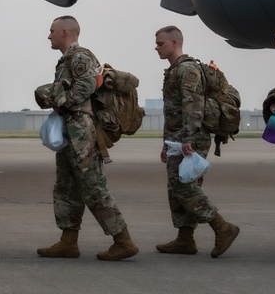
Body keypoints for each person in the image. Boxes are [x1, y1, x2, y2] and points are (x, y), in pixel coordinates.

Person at [36, 15, 138, 261]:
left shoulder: (81, 57)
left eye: (51, 31)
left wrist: (55, 97)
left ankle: (123, 240)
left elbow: (87, 86)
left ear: (64, 33)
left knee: (93, 187)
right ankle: (68, 241)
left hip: (81, 133)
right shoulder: (67, 59)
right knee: (67, 187)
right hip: (70, 132)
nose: (48, 35)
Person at [153, 26, 240, 257]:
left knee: (184, 187)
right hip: (177, 139)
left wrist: (188, 139)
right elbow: (172, 112)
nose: (157, 48)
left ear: (175, 43)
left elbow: (194, 107)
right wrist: (167, 144)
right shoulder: (174, 70)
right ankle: (185, 239)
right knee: (176, 188)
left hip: (190, 138)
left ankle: (222, 227)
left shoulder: (188, 69)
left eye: (161, 43)